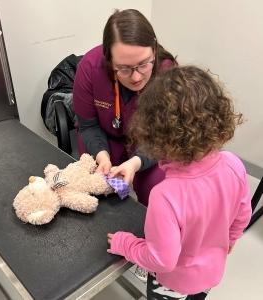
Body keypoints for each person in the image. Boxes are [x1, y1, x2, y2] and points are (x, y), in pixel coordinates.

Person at [107, 66, 252, 299]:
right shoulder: (233, 163)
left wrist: (126, 244)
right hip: (212, 273)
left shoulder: (165, 194)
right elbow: (242, 214)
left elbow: (161, 259)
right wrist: (231, 239)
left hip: (173, 283)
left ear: (153, 133)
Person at [73, 9, 177, 207]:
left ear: (154, 50)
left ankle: (149, 237)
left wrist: (136, 162)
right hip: (103, 138)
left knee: (157, 192)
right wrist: (101, 155)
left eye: (144, 64)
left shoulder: (167, 73)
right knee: (99, 192)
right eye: (125, 68)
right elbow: (88, 125)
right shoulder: (89, 68)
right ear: (109, 59)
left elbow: (164, 134)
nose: (136, 77)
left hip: (152, 143)